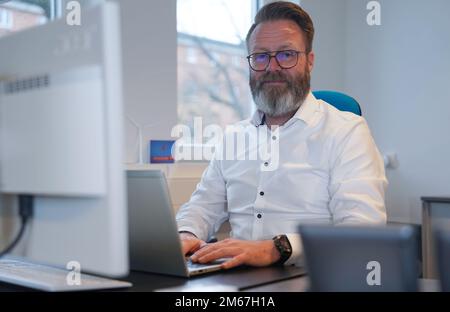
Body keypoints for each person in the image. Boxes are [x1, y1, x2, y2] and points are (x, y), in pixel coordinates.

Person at [176, 1, 387, 269]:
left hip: (313, 277)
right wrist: (186, 235)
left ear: (309, 61)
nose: (272, 67)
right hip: (236, 277)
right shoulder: (234, 137)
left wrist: (277, 248)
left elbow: (362, 233)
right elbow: (203, 205)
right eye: (261, 56)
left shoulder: (347, 132)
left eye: (286, 54)